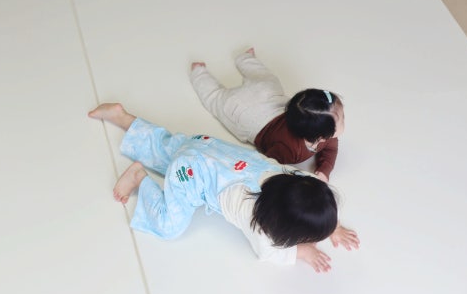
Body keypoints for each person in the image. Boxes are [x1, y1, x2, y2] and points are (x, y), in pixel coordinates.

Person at [88, 102, 359, 272]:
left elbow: (313, 191)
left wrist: (331, 225)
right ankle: (140, 178)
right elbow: (269, 252)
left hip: (205, 147)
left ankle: (124, 118)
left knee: (165, 148)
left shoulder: (289, 176)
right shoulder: (262, 227)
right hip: (189, 175)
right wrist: (303, 251)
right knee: (169, 227)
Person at [190, 47, 345, 182]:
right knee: (216, 99)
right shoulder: (288, 149)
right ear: (321, 136)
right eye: (342, 119)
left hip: (268, 94)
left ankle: (246, 59)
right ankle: (199, 73)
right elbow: (268, 165)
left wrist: (324, 171)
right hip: (248, 114)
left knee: (265, 78)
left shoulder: (326, 134)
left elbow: (331, 149)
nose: (345, 119)